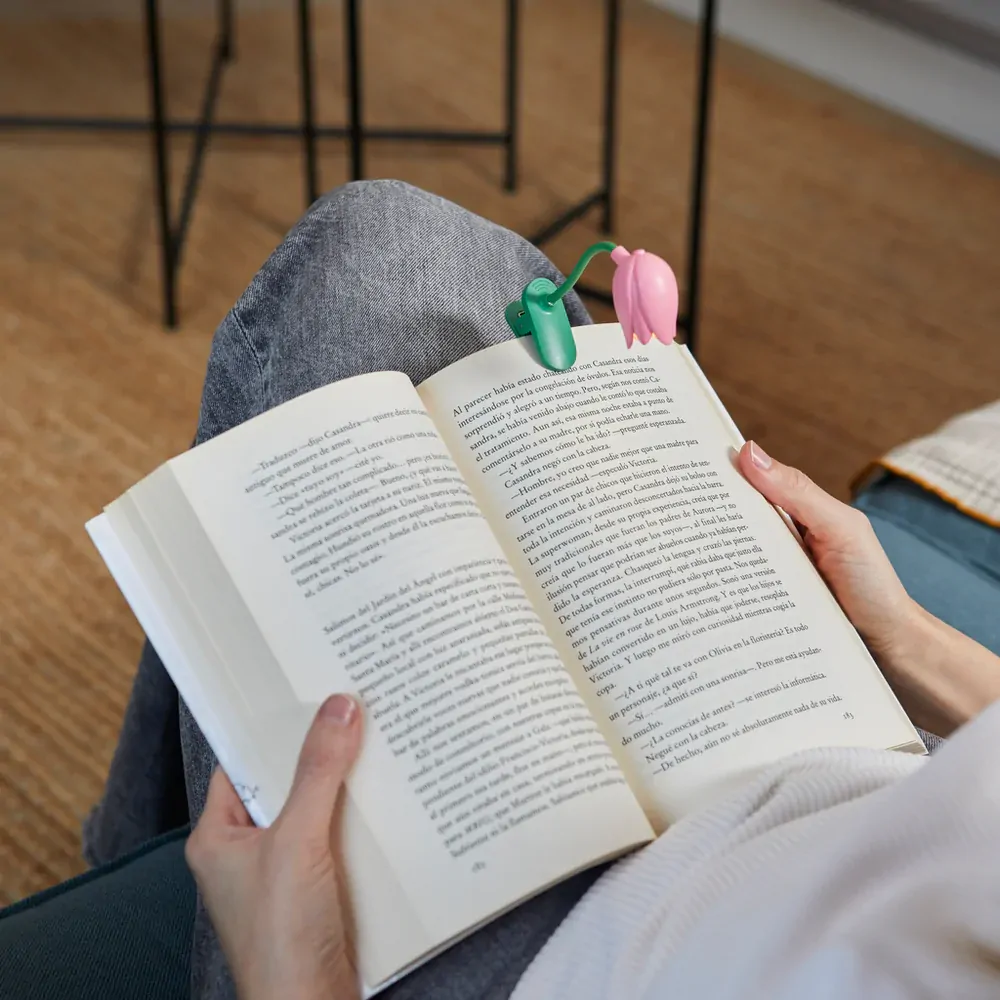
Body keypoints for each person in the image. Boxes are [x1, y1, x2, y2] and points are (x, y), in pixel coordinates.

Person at [3, 181, 1000, 1000]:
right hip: (840, 762)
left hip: (575, 957)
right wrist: (910, 642)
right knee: (415, 258)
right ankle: (135, 836)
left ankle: (134, 847)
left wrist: (286, 980)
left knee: (356, 269)